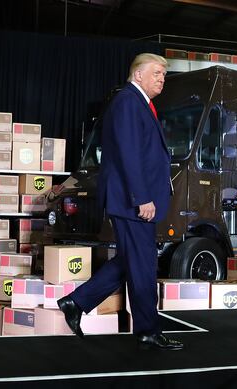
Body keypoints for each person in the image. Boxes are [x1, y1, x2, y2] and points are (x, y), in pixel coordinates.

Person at [57, 53, 183, 350]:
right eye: (156, 73)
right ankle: (148, 331)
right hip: (133, 200)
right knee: (143, 264)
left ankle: (76, 302)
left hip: (132, 199)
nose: (161, 78)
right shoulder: (128, 102)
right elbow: (129, 154)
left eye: (164, 74)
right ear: (138, 75)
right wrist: (142, 198)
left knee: (134, 261)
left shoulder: (138, 103)